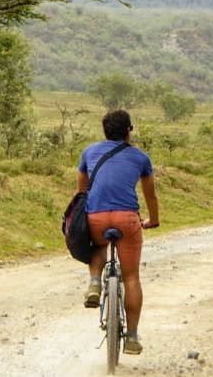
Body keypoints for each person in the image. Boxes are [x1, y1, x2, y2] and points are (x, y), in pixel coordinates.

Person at [75, 109, 160, 355]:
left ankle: (94, 283)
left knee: (99, 245)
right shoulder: (141, 157)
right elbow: (150, 194)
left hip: (96, 217)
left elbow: (81, 191)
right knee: (131, 276)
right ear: (128, 132)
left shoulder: (89, 152)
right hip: (128, 219)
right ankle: (132, 336)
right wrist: (152, 220)